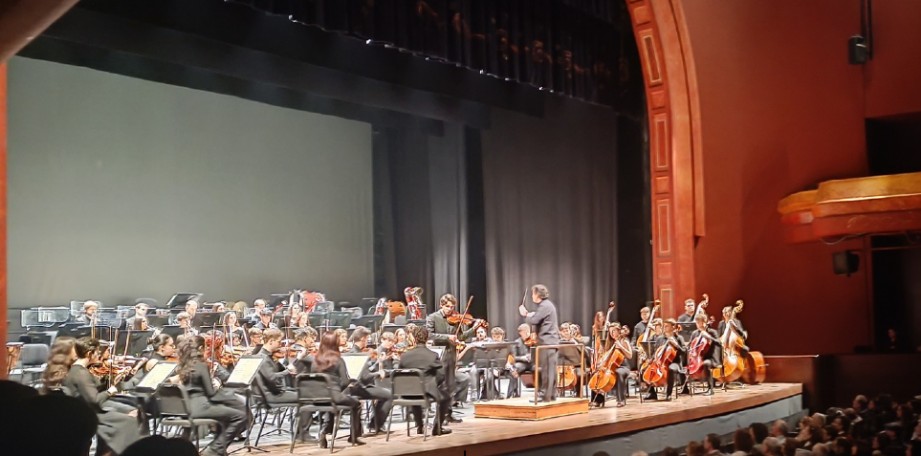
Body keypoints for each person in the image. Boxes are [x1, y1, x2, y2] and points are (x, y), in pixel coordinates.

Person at [64, 337, 144, 455]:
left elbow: (93, 391)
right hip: (88, 414)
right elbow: (95, 400)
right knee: (129, 421)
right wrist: (110, 391)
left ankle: (106, 450)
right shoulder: (80, 373)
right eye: (97, 352)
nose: (99, 355)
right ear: (89, 354)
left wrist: (110, 382)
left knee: (132, 411)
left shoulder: (78, 370)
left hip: (88, 409)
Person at [175, 335, 247, 456]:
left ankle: (217, 449)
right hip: (201, 407)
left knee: (225, 415)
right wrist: (227, 395)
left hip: (185, 407)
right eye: (206, 347)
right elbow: (211, 394)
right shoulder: (201, 364)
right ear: (201, 348)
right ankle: (215, 449)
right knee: (240, 416)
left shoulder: (183, 364)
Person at [425, 293, 476, 421]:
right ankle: (439, 417)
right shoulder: (432, 317)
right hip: (439, 355)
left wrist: (474, 328)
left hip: (452, 355)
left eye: (452, 307)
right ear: (441, 305)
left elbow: (461, 337)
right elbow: (429, 335)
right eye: (448, 307)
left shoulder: (455, 319)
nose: (451, 309)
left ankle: (448, 414)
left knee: (450, 385)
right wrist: (447, 337)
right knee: (441, 386)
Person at [309, 332, 365, 448]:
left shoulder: (315, 361)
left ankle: (323, 432)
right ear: (335, 343)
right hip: (333, 396)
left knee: (333, 404)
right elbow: (345, 382)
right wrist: (348, 385)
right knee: (357, 403)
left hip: (317, 397)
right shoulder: (338, 360)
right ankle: (354, 436)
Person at [398, 324, 453, 435]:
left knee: (414, 389)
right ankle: (437, 427)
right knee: (446, 397)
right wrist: (433, 383)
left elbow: (401, 374)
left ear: (413, 338)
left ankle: (419, 426)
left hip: (407, 392)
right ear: (427, 338)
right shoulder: (432, 355)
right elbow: (441, 375)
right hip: (426, 391)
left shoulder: (405, 356)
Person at [518, 284, 561, 402]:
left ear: (537, 295)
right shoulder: (547, 305)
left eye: (533, 293)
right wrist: (531, 314)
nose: (532, 296)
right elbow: (538, 317)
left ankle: (544, 395)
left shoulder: (544, 305)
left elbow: (535, 320)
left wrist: (525, 314)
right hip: (551, 342)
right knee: (550, 370)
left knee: (547, 370)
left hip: (547, 342)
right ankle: (551, 395)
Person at [254, 328, 298, 405]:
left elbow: (280, 369)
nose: (280, 345)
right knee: (305, 396)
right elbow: (272, 377)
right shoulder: (263, 357)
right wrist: (287, 371)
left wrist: (285, 366)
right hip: (272, 395)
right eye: (278, 342)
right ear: (271, 341)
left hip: (276, 392)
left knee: (303, 392)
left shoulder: (269, 355)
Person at [646, 318, 686, 401]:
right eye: (664, 326)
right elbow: (656, 352)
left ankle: (669, 394)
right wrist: (651, 359)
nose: (664, 328)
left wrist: (676, 345)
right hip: (661, 362)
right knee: (646, 368)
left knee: (671, 369)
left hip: (675, 362)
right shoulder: (660, 339)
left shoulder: (679, 338)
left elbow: (684, 352)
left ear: (673, 327)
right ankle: (652, 392)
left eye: (667, 326)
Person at [687, 312, 721, 395]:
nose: (698, 325)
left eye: (700, 322)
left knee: (706, 363)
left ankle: (710, 389)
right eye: (697, 323)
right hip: (698, 357)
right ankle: (685, 388)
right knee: (685, 363)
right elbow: (690, 345)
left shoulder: (712, 332)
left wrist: (708, 336)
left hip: (711, 357)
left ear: (705, 322)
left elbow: (719, 343)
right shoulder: (695, 333)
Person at [507, 324, 533, 398]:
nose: (527, 333)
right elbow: (513, 357)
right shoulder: (517, 342)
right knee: (513, 370)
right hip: (522, 363)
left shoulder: (534, 340)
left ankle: (542, 392)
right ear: (520, 333)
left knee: (541, 369)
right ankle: (512, 393)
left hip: (533, 363)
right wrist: (523, 358)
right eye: (524, 332)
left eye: (528, 331)